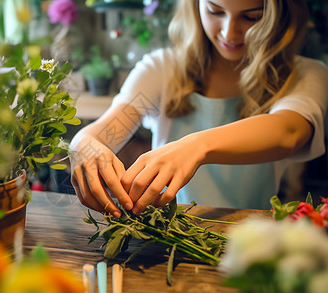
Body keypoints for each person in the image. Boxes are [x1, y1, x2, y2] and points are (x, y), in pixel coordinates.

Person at [69, 0, 328, 218]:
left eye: (252, 17)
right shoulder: (162, 70)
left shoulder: (305, 75)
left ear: (280, 17)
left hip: (250, 239)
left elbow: (289, 131)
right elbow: (106, 131)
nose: (229, 32)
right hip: (166, 240)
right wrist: (83, 144)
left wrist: (196, 147)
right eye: (216, 11)